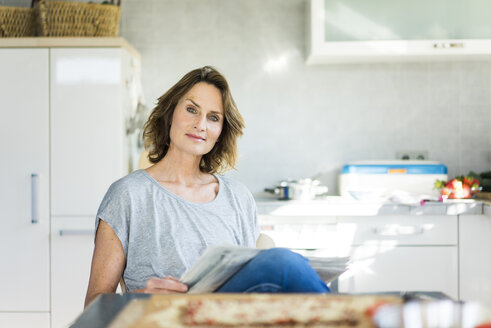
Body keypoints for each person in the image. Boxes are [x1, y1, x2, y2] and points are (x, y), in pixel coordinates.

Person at [84, 66, 329, 308]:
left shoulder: (239, 198)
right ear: (170, 115)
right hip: (166, 321)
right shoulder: (128, 195)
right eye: (191, 110)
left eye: (213, 118)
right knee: (285, 263)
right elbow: (93, 305)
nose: (201, 124)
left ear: (221, 131)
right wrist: (139, 297)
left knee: (288, 267)